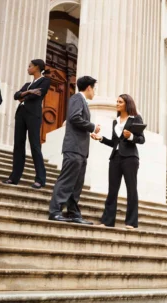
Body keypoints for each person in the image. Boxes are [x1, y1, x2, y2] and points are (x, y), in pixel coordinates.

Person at [47, 76, 100, 224]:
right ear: (89, 87)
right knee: (66, 181)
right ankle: (55, 211)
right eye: (94, 88)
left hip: (81, 150)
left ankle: (73, 213)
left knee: (77, 184)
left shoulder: (82, 101)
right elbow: (74, 118)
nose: (94, 92)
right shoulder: (77, 98)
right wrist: (92, 126)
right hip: (74, 148)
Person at [92, 94, 145, 229]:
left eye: (120, 102)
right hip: (115, 157)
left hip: (130, 158)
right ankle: (107, 221)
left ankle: (131, 222)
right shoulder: (115, 121)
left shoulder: (136, 118)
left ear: (127, 104)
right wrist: (100, 138)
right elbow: (114, 142)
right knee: (112, 190)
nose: (117, 104)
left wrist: (131, 136)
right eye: (116, 101)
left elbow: (141, 139)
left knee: (131, 189)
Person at [3, 59, 51, 189]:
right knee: (18, 145)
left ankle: (40, 179)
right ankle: (14, 178)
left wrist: (24, 96)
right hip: (21, 114)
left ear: (37, 67)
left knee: (35, 145)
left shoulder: (45, 81)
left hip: (33, 115)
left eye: (30, 66)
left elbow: (38, 95)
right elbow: (16, 96)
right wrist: (29, 92)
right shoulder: (27, 84)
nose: (28, 68)